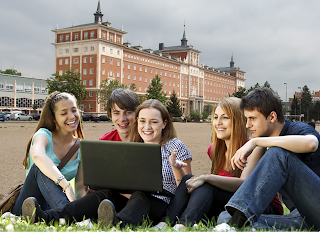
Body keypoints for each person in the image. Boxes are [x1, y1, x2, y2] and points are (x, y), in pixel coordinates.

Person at [21, 99, 192, 227]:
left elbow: (186, 189)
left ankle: (117, 223)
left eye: (154, 122)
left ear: (164, 123)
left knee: (141, 194)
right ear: (137, 122)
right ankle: (47, 217)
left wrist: (176, 168)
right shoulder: (135, 148)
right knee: (105, 194)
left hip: (161, 205)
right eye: (142, 121)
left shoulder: (174, 146)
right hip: (133, 202)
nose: (147, 126)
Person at [153, 97, 283, 230]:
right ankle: (164, 223)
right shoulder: (214, 149)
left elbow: (245, 184)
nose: (218, 122)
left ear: (238, 120)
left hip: (260, 206)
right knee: (188, 179)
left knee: (207, 183)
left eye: (225, 117)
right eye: (215, 117)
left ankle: (183, 225)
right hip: (231, 203)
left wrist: (207, 177)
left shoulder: (254, 147)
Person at [224, 88, 320, 230]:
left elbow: (311, 143)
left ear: (272, 117)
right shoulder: (266, 144)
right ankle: (236, 223)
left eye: (253, 118)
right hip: (303, 217)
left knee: (278, 154)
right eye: (246, 119)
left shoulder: (297, 128)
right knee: (226, 217)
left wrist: (255, 142)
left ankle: (234, 225)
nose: (247, 125)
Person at [11, 92, 85, 215]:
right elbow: (37, 155)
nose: (71, 116)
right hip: (27, 206)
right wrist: (65, 185)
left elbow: (80, 189)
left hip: (53, 209)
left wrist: (85, 206)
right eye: (64, 113)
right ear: (54, 117)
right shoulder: (43, 135)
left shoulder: (80, 147)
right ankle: (71, 216)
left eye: (74, 110)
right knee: (39, 167)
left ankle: (73, 215)